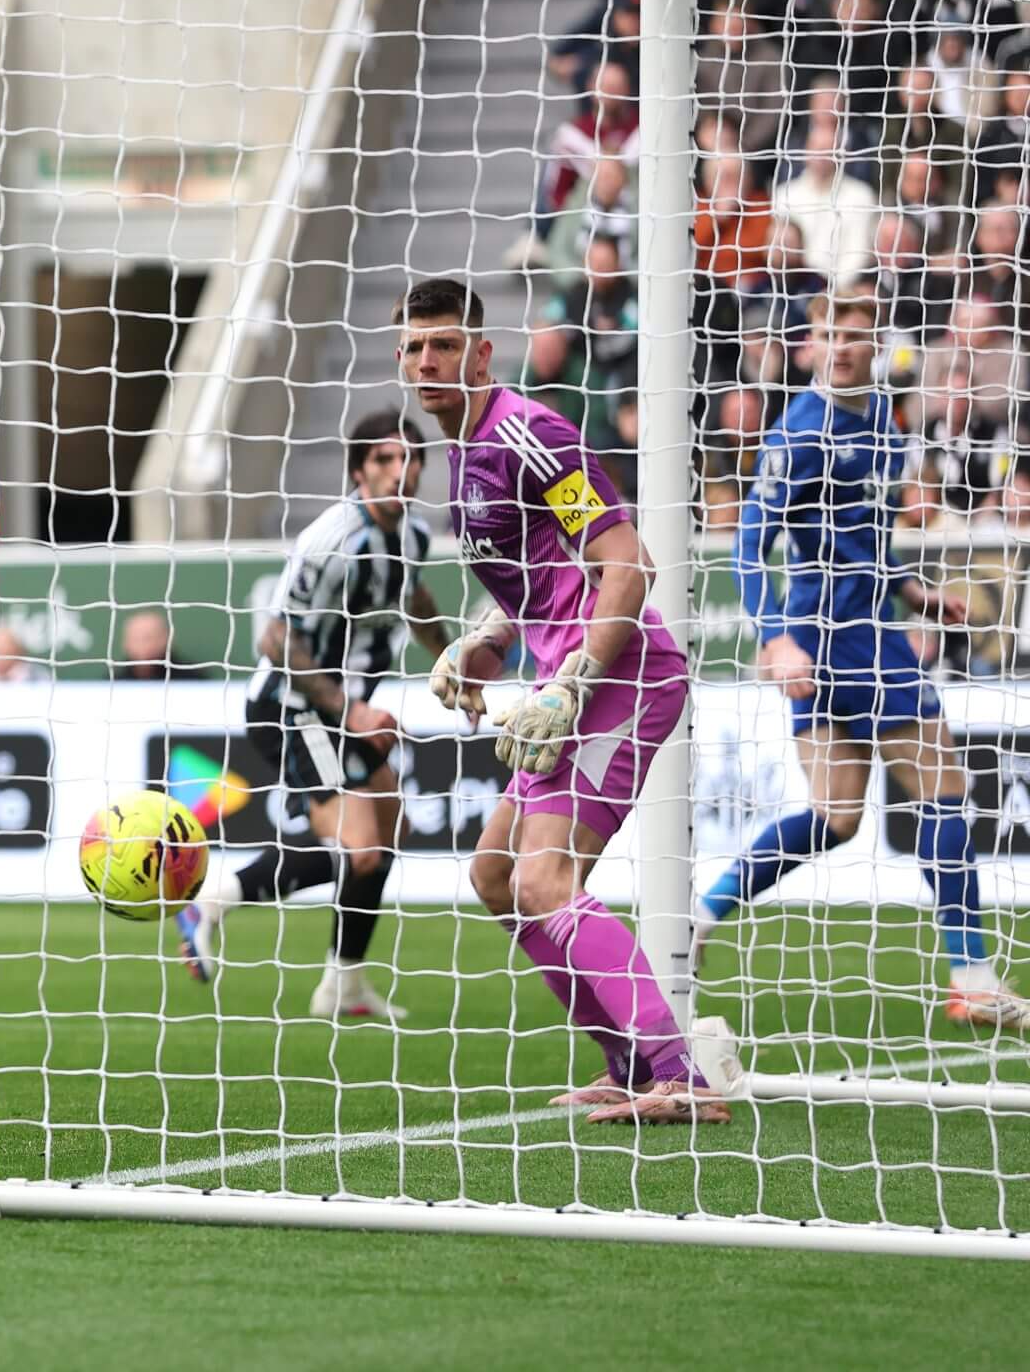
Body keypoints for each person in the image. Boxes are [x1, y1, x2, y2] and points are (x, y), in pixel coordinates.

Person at [400, 275, 723, 1125]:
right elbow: (542, 580)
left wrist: (575, 678)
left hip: (619, 679)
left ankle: (677, 1072)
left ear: (480, 352)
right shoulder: (466, 453)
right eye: (411, 347)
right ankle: (626, 1062)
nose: (425, 361)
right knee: (497, 875)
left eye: (442, 345)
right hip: (566, 686)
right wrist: (484, 643)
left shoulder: (527, 433)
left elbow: (628, 562)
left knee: (543, 878)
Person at [701, 288, 1027, 1027]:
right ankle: (973, 977)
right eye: (827, 334)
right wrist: (771, 636)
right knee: (944, 786)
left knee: (837, 815)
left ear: (875, 343)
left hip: (867, 623)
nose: (840, 346)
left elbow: (864, 544)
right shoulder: (799, 432)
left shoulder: (883, 416)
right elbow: (750, 545)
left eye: (854, 334)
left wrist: (915, 592)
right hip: (833, 634)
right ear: (811, 343)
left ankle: (703, 912)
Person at [181, 410, 453, 1023]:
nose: (399, 470)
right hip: (292, 706)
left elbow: (414, 599)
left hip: (337, 711)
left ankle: (343, 987)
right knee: (361, 850)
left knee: (390, 835)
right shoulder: (333, 537)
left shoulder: (411, 534)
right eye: (384, 459)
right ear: (359, 471)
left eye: (411, 459)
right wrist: (349, 707)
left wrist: (451, 662)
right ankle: (211, 903)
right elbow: (275, 640)